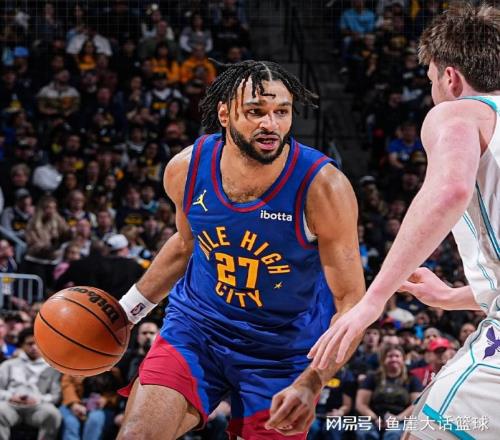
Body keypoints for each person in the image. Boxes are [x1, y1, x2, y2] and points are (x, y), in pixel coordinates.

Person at [116, 60, 365, 439]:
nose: (271, 124)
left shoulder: (324, 188)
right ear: (224, 114)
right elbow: (184, 244)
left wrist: (313, 380)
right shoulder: (186, 169)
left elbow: (351, 302)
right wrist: (126, 313)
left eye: (281, 112)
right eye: (255, 111)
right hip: (196, 329)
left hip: (283, 352)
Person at [308, 4, 500, 439]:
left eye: (431, 80)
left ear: (450, 78)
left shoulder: (459, 112)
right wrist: (451, 297)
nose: (433, 91)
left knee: (419, 430)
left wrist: (373, 299)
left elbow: (449, 191)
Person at [0, 328, 61, 439]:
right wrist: (10, 397)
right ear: (22, 345)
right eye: (29, 344)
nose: (34, 347)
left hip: (37, 408)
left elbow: (55, 396)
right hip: (11, 406)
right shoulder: (8, 365)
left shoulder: (51, 368)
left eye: (38, 344)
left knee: (53, 414)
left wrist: (38, 399)